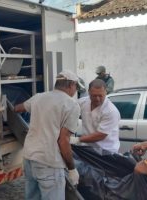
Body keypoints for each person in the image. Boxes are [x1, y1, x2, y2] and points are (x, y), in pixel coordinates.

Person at [14, 70, 81, 200]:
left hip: (29, 159)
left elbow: (17, 109)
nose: (75, 91)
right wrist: (72, 169)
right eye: (76, 87)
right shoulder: (71, 105)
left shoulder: (39, 97)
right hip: (49, 162)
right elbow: (63, 141)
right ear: (71, 85)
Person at [70, 79, 121, 153]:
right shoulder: (83, 102)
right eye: (94, 96)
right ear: (89, 92)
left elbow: (101, 135)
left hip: (106, 151)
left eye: (100, 96)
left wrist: (77, 139)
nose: (97, 99)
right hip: (87, 148)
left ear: (105, 92)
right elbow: (68, 109)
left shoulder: (111, 111)